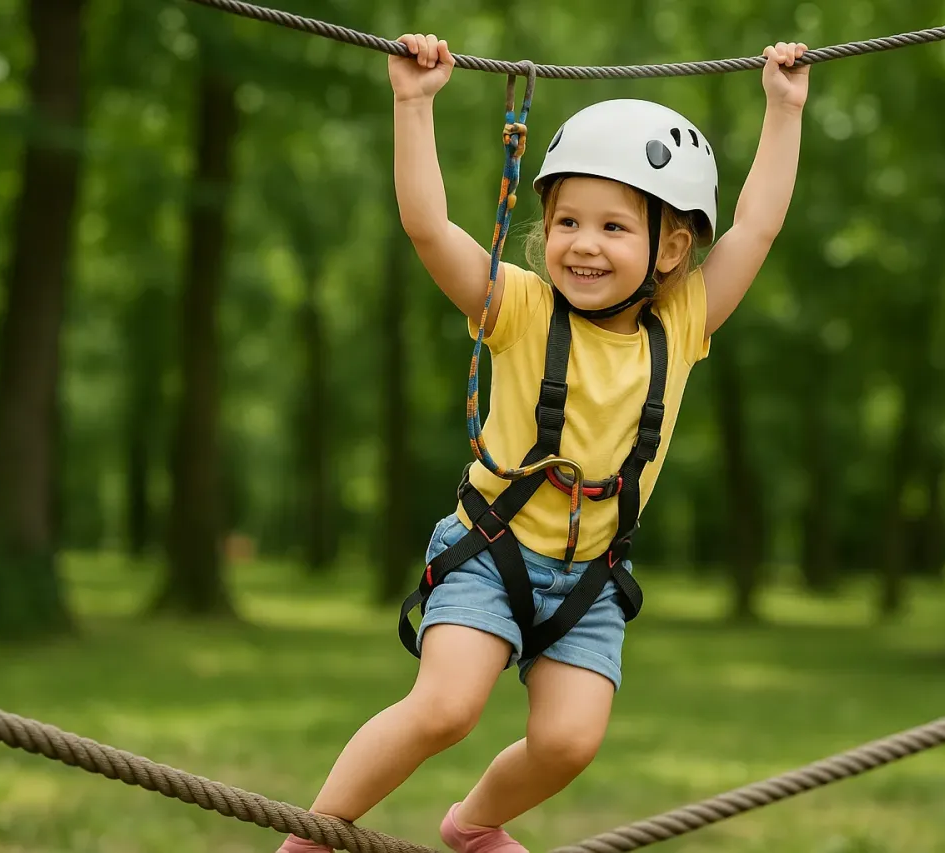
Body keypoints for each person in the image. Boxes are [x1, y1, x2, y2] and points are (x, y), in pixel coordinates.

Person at [277, 31, 810, 853]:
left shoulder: (684, 323)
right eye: (566, 219)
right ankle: (311, 837)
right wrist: (413, 104)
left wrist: (784, 109)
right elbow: (426, 227)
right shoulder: (518, 307)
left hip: (591, 578)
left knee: (569, 742)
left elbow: (759, 225)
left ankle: (475, 824)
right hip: (490, 553)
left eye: (613, 226)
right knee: (447, 707)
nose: (583, 243)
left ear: (671, 249)